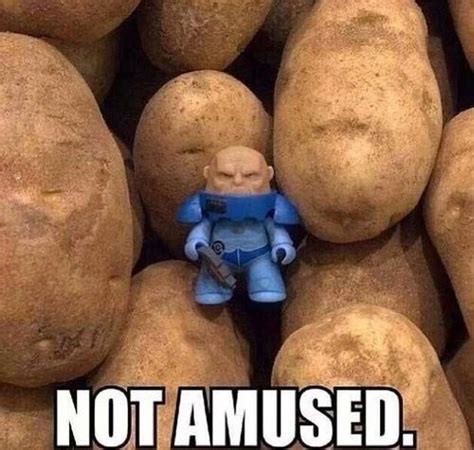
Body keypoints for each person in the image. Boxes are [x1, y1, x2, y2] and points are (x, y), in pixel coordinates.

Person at [177, 146, 299, 304]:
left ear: (269, 175)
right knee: (211, 285)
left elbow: (274, 228)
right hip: (218, 258)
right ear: (207, 174)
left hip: (259, 256)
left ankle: (265, 287)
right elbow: (203, 227)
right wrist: (196, 242)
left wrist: (282, 245)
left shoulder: (271, 208)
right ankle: (213, 289)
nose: (237, 181)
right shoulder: (206, 208)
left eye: (251, 175)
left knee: (266, 283)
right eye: (225, 175)